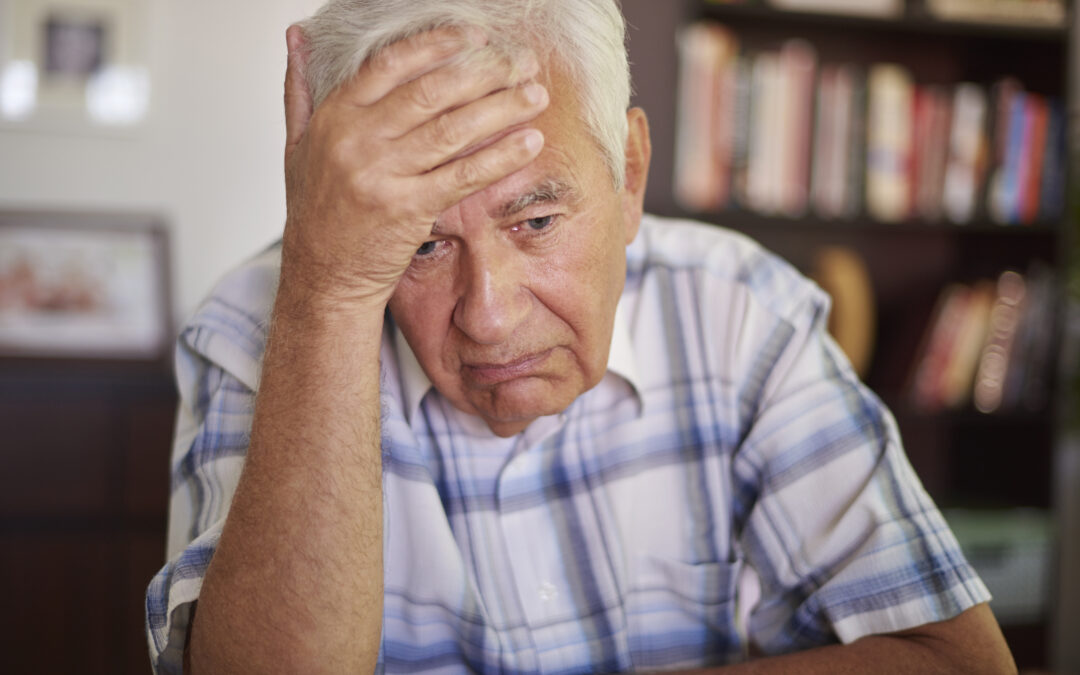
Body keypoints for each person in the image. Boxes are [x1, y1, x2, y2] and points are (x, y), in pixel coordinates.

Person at [146, 1, 1017, 673]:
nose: (485, 313)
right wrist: (331, 287)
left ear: (629, 173)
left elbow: (956, 659)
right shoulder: (268, 321)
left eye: (535, 219)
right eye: (419, 242)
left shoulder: (741, 307)